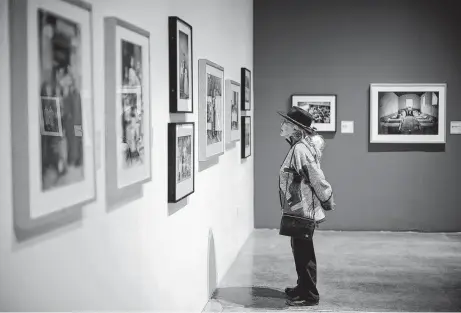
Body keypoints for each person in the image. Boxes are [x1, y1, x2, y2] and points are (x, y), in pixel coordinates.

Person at [278, 106, 335, 307]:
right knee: (299, 248)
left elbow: (316, 175)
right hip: (297, 207)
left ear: (295, 128)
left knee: (304, 252)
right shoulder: (298, 147)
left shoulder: (300, 149)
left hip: (302, 209)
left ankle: (310, 294)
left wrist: (327, 197)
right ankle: (302, 287)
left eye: (286, 123)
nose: (282, 125)